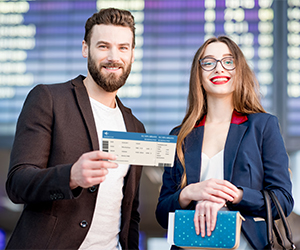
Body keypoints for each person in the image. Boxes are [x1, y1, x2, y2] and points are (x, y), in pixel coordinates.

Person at [5, 8, 145, 250]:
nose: (114, 57)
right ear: (85, 49)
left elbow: (130, 211)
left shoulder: (136, 128)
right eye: (103, 46)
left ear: (132, 55)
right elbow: (17, 183)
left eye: (123, 47)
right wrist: (70, 176)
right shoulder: (49, 99)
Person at [155, 36, 294, 249]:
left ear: (239, 71)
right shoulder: (179, 136)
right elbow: (163, 214)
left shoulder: (263, 126)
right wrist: (189, 192)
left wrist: (233, 195)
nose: (219, 69)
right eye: (208, 62)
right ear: (198, 75)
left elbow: (282, 201)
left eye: (228, 62)